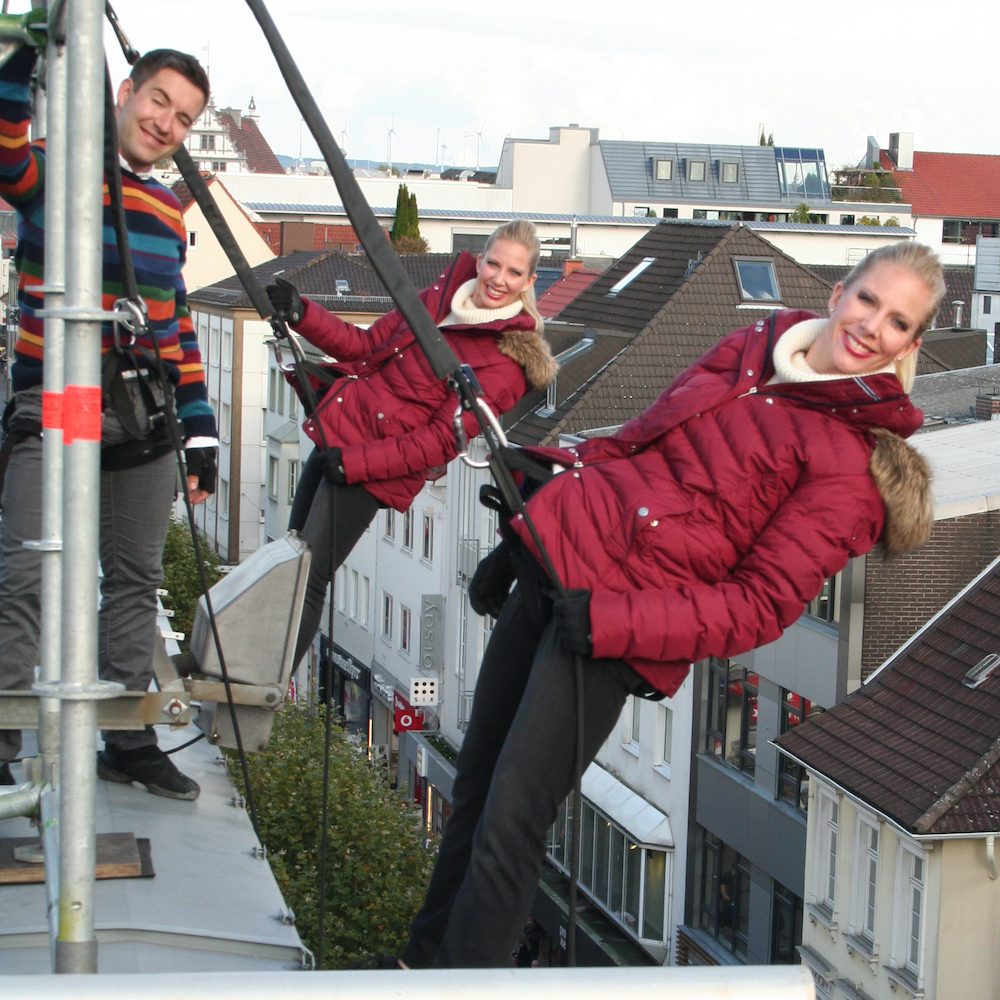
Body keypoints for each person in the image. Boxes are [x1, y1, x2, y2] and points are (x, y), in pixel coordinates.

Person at [399, 241, 944, 968]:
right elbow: (632, 449)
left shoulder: (850, 469)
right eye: (870, 300)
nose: (873, 326)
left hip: (611, 633)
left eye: (899, 322)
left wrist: (609, 624)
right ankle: (414, 967)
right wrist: (521, 539)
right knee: (473, 788)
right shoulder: (754, 349)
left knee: (511, 824)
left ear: (910, 344)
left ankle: (458, 991)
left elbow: (758, 608)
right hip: (558, 567)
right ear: (841, 290)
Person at [0, 46, 218, 797]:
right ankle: (0, 736)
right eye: (158, 101)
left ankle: (125, 733)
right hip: (60, 402)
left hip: (137, 414)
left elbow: (177, 329)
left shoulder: (163, 212)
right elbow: (7, 155)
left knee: (135, 579)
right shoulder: (57, 174)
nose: (165, 122)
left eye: (183, 117)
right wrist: (16, 62)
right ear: (125, 93)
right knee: (27, 568)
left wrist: (200, 433)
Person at [266, 220, 557, 667]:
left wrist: (356, 465)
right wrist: (302, 312)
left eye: (514, 273)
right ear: (479, 261)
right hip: (340, 437)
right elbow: (364, 347)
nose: (499, 279)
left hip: (371, 471)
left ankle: (267, 683)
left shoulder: (507, 360)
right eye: (493, 264)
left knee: (310, 575)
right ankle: (255, 668)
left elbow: (442, 441)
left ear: (529, 282)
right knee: (290, 562)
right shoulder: (437, 303)